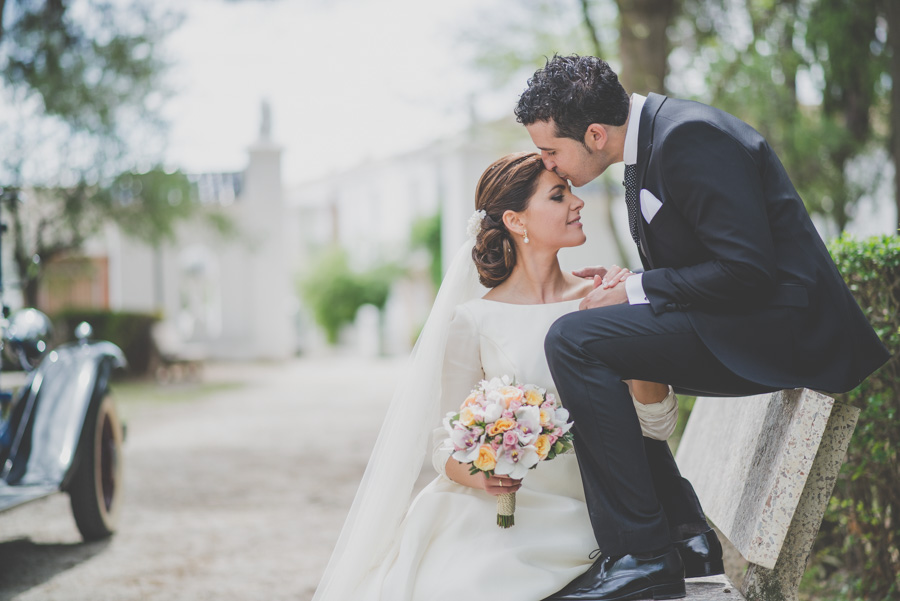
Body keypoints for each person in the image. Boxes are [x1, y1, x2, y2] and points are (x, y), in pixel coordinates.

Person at [514, 54, 891, 601]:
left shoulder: (689, 136)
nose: (549, 163)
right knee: (593, 340)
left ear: (594, 134)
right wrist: (633, 285)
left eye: (551, 150)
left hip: (784, 330)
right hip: (744, 319)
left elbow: (747, 270)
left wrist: (637, 292)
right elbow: (712, 260)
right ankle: (684, 536)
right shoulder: (654, 143)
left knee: (574, 341)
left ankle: (643, 554)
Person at [312, 152, 687, 601]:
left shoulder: (605, 299)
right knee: (459, 585)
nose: (578, 203)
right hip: (497, 513)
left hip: (589, 513)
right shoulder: (473, 320)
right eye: (558, 195)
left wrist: (632, 315)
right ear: (516, 220)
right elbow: (443, 447)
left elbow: (659, 426)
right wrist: (482, 472)